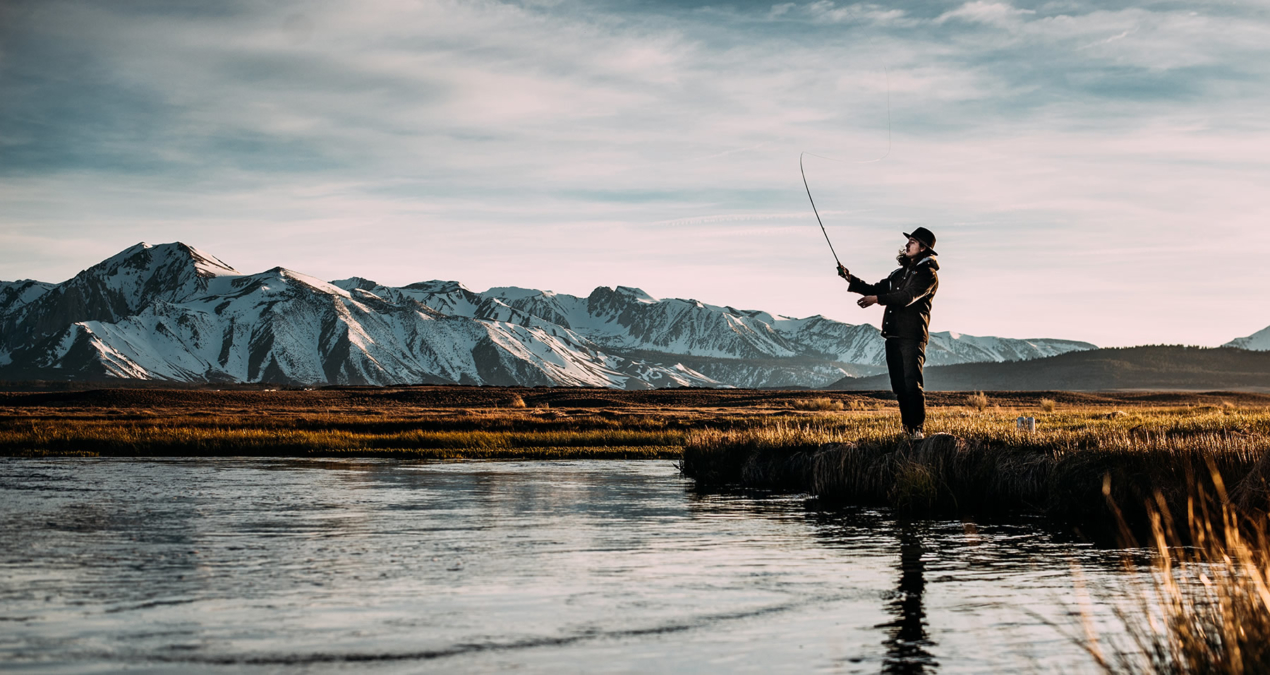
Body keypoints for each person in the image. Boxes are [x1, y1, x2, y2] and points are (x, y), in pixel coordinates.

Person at [837, 227, 940, 440]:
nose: (907, 244)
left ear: (923, 248)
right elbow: (876, 288)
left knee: (912, 383)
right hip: (893, 335)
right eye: (908, 241)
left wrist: (876, 299)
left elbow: (906, 297)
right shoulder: (898, 274)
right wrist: (850, 279)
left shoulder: (928, 275)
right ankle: (907, 430)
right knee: (900, 386)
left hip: (912, 336)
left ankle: (917, 431)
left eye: (912, 241)